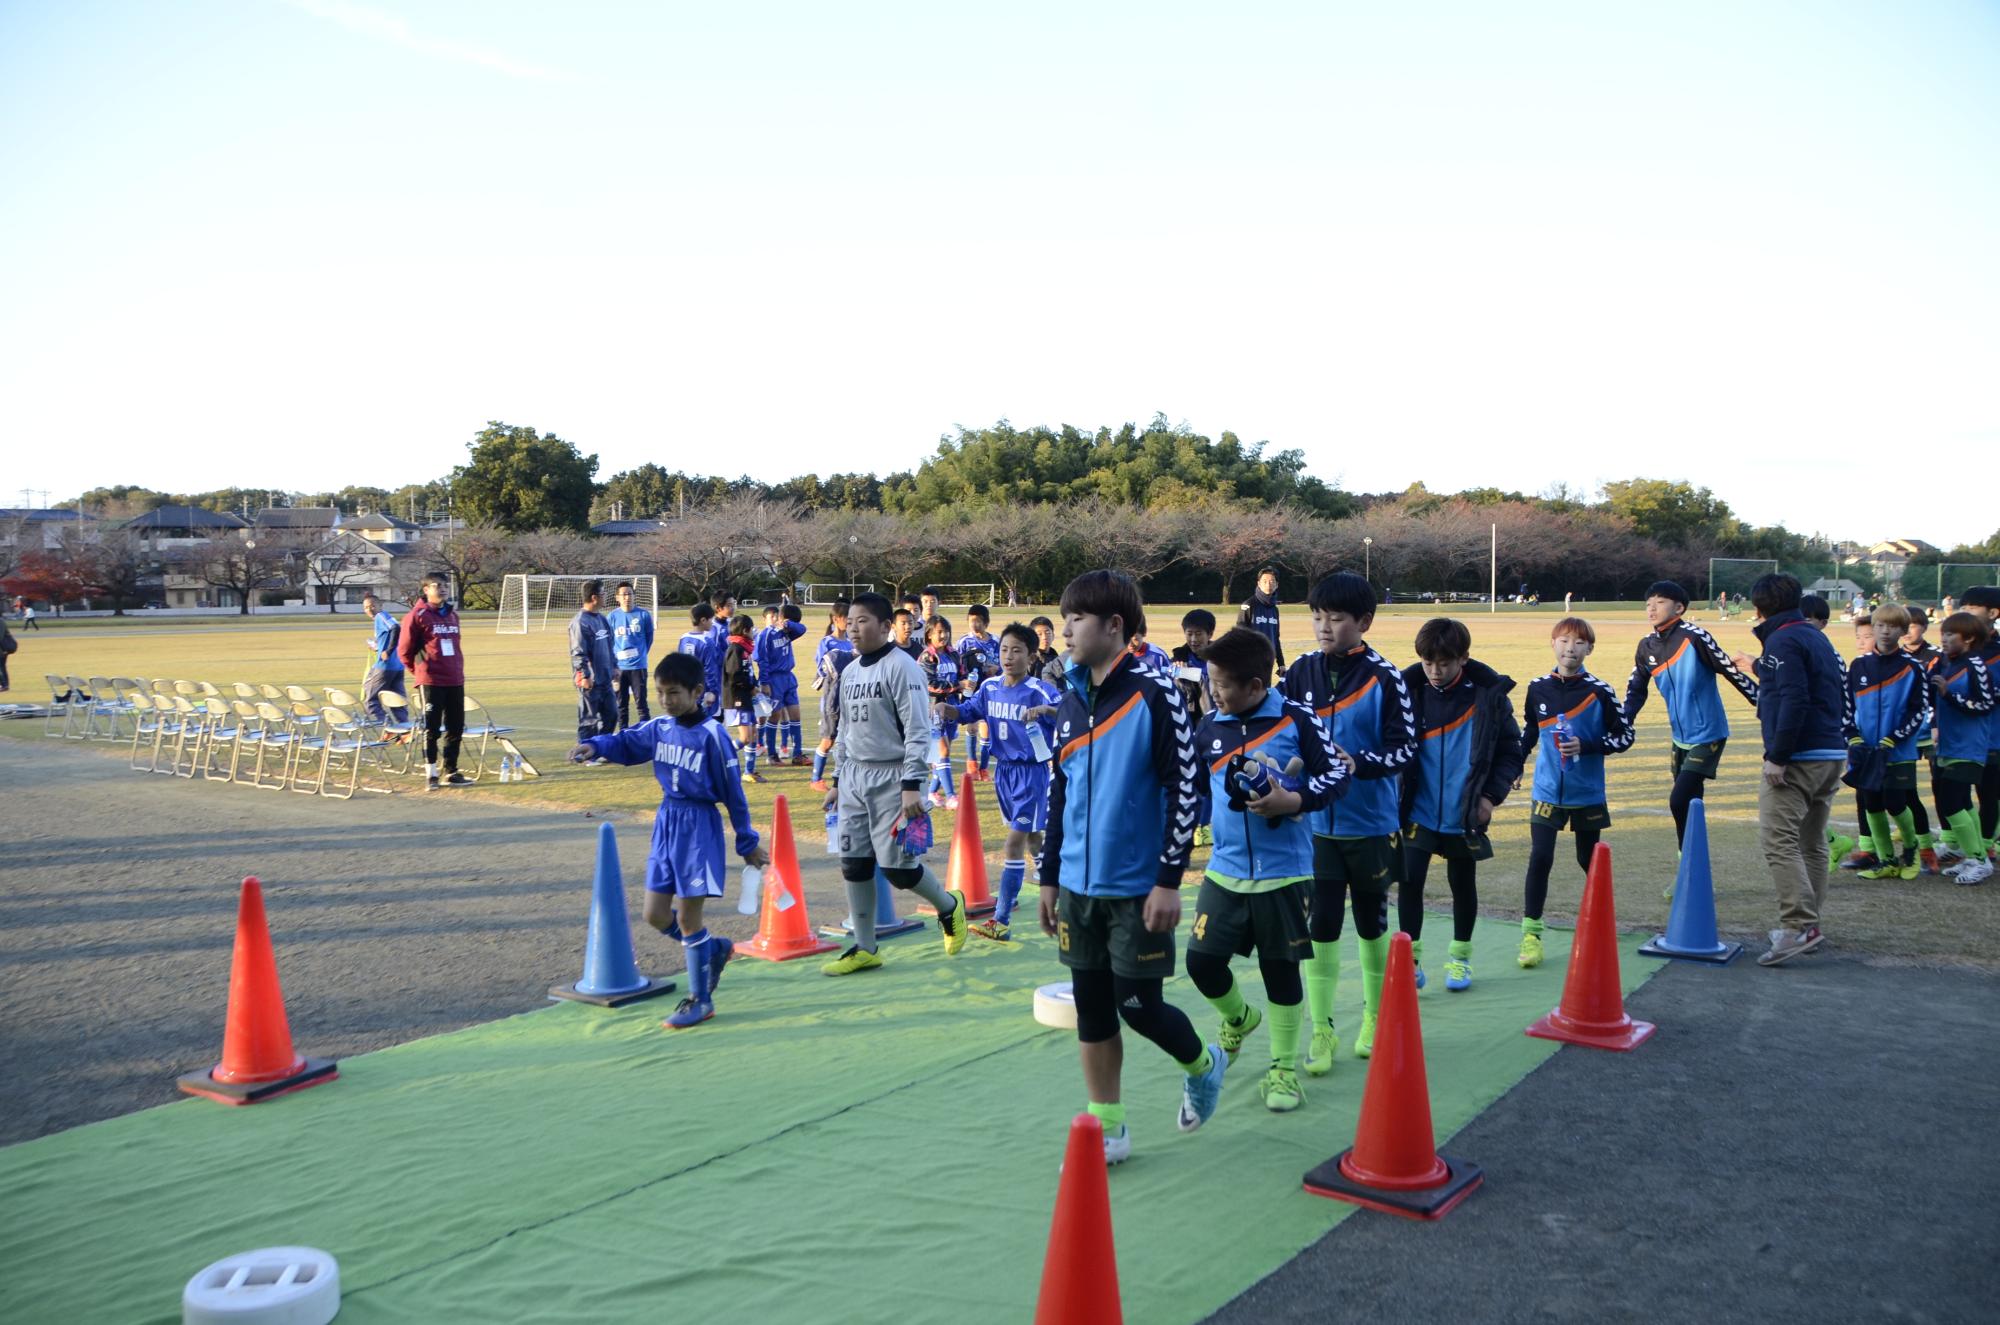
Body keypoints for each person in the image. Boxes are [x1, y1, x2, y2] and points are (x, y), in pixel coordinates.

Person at [1039, 570, 1217, 1162]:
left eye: (1077, 619)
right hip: (1075, 888)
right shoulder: (1066, 699)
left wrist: (1168, 880)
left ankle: (1202, 1063)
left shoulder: (1155, 692)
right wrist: (1047, 877)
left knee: (1137, 1006)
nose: (1064, 630)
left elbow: (1185, 787)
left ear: (1115, 627)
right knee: (1092, 1007)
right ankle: (1109, 1124)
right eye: (1064, 618)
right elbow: (1058, 792)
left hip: (1139, 887)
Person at [1190, 627, 1348, 1113]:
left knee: (1280, 971)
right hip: (1223, 870)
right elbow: (1192, 790)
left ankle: (1282, 1070)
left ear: (1256, 686)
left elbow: (1338, 773)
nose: (1213, 692)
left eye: (1222, 684)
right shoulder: (1209, 727)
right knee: (1201, 962)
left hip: (1286, 872)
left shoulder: (1297, 719)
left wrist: (1293, 799)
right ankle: (1238, 1018)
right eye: (1210, 682)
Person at [570, 652, 769, 1028]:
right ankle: (712, 950)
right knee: (656, 915)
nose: (665, 700)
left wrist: (747, 843)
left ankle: (700, 999)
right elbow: (628, 743)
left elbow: (733, 796)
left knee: (689, 918)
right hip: (667, 823)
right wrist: (595, 746)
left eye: (673, 693)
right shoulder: (660, 728)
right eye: (660, 692)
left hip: (699, 829)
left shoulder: (714, 737)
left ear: (697, 692)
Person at [1277, 572, 1415, 1067]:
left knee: (1372, 922)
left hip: (1371, 825)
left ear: (1364, 621)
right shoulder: (1299, 672)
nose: (1323, 626)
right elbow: (1280, 729)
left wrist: (1358, 761)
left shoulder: (1386, 676)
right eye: (1317, 616)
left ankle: (1375, 1017)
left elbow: (1405, 748)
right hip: (1314, 827)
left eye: (1335, 618)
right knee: (1322, 925)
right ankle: (1322, 1029)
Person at [821, 592, 969, 975]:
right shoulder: (851, 671)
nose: (854, 628)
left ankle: (950, 907)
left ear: (886, 627)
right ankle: (866, 946)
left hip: (894, 776)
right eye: (850, 622)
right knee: (853, 863)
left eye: (863, 621)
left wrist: (911, 784)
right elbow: (845, 731)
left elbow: (920, 729)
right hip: (854, 776)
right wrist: (837, 779)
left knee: (899, 870)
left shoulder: (904, 668)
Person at [1398, 618, 1523, 993]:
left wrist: (1489, 798)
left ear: (1463, 658)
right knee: (1409, 882)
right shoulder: (1405, 692)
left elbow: (1510, 751)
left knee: (1462, 884)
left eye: (1445, 663)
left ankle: (1460, 958)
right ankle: (1411, 960)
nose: (1435, 671)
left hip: (1463, 811)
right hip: (1416, 810)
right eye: (1428, 662)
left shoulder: (1488, 696)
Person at [1516, 617, 1635, 970]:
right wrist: (1515, 766)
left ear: (1590, 649)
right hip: (1547, 790)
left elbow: (1625, 736)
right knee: (1540, 858)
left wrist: (1588, 744)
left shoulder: (1599, 691)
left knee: (1589, 861)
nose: (1571, 648)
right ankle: (1531, 935)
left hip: (1587, 792)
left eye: (1579, 642)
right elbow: (1529, 732)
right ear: (1553, 644)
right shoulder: (1537, 688)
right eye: (1564, 640)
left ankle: (1599, 927)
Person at [1743, 574, 1848, 964]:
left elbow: (1794, 697)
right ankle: (1809, 924)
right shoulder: (1813, 634)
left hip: (1800, 757)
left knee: (1779, 841)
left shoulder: (1783, 639)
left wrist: (1778, 755)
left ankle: (1798, 925)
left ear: (1758, 607)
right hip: (1830, 751)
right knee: (1811, 842)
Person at [934, 622, 1060, 942]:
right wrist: (944, 709)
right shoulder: (990, 688)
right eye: (1004, 649)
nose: (1008, 656)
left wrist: (1045, 710)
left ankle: (1000, 920)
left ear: (1031, 657)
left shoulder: (1038, 689)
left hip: (1032, 774)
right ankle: (1057, 885)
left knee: (1014, 844)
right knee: (1033, 839)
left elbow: (1071, 711)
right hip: (1003, 774)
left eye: (1017, 650)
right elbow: (967, 712)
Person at [1620, 581, 1759, 868]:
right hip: (1679, 738)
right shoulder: (1646, 645)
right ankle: (1693, 872)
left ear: (1679, 607)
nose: (1652, 608)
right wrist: (1624, 722)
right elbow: (1636, 689)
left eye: (1659, 602)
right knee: (1691, 805)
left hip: (1708, 733)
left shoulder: (1694, 637)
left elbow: (1728, 670)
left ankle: (1689, 870)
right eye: (1648, 603)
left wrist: (1764, 702)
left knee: (1678, 800)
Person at [1842, 605, 1933, 881]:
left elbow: (1919, 709)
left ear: (1903, 632)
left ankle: (1911, 849)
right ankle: (1886, 860)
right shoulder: (1859, 666)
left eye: (1892, 626)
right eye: (1880, 625)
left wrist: (1894, 738)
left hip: (1898, 750)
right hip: (1866, 750)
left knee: (1896, 802)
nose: (1885, 631)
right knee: (1871, 804)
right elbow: (1845, 706)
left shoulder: (1912, 668)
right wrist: (1853, 735)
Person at [1929, 612, 1995, 883]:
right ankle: (1975, 855)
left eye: (1950, 634)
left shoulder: (1976, 664)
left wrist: (1950, 695)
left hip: (1969, 745)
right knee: (1960, 802)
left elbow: (1984, 704)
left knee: (1952, 801)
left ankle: (1980, 861)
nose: (1944, 639)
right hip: (1949, 744)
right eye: (1943, 633)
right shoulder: (1947, 663)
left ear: (1968, 638)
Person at [399, 575, 469, 788]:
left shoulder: (452, 615)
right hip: (431, 680)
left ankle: (451, 770)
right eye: (438, 586)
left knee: (455, 726)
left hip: (455, 679)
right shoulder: (417, 615)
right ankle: (431, 773)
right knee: (432, 728)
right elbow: (404, 651)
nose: (443, 589)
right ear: (426, 589)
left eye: (446, 585)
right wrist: (420, 672)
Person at [1172, 609, 1218, 847]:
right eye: (1189, 634)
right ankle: (1196, 826)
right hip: (1189, 727)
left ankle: (1208, 824)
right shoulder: (1179, 659)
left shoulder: (1220, 655)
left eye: (1198, 634)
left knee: (1212, 778)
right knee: (1192, 778)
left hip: (1216, 725)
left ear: (1210, 634)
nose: (1193, 640)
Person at [754, 602, 809, 765]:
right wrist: (764, 682)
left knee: (795, 715)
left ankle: (798, 755)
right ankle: (772, 755)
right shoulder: (765, 635)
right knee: (775, 716)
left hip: (789, 678)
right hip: (774, 679)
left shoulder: (787, 632)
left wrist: (788, 624)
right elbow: (762, 660)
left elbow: (803, 629)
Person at [569, 581, 619, 755]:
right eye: (604, 593)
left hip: (605, 679)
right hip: (589, 681)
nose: (606, 597)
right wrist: (584, 675)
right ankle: (584, 754)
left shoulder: (602, 619)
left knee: (612, 715)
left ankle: (601, 749)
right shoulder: (580, 623)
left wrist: (615, 666)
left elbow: (610, 645)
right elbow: (578, 652)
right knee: (588, 720)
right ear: (594, 597)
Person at [809, 600, 854, 791]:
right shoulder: (826, 642)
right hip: (832, 698)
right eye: (847, 618)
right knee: (829, 740)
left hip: (852, 696)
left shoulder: (853, 641)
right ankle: (815, 779)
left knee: (850, 740)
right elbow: (822, 669)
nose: (851, 622)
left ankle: (846, 778)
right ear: (836, 619)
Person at [919, 615, 963, 809]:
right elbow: (930, 684)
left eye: (946, 631)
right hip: (932, 709)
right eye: (939, 632)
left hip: (952, 708)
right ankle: (952, 796)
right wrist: (957, 685)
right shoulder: (926, 657)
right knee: (941, 751)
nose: (944, 635)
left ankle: (932, 792)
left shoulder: (953, 654)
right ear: (929, 634)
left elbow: (963, 674)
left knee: (944, 752)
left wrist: (967, 683)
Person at [956, 603, 1001, 778]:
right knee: (972, 727)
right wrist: (963, 681)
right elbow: (957, 665)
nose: (975, 624)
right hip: (971, 691)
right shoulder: (964, 642)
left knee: (987, 729)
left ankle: (983, 768)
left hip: (990, 690)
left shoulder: (995, 641)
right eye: (971, 620)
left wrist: (995, 669)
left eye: (979, 621)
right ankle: (972, 764)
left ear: (986, 622)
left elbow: (1003, 665)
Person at [608, 581, 655, 732]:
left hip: (638, 666)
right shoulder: (612, 617)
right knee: (621, 705)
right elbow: (609, 641)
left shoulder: (644, 615)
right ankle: (623, 734)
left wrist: (640, 655)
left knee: (641, 703)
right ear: (617, 597)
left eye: (630, 594)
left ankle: (646, 734)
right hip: (619, 669)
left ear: (634, 596)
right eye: (624, 594)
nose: (627, 597)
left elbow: (649, 639)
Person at [720, 614, 762, 784]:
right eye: (752, 629)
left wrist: (755, 684)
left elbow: (747, 672)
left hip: (745, 696)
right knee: (745, 737)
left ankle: (749, 771)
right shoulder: (735, 649)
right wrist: (751, 687)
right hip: (737, 699)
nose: (754, 632)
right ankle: (720, 758)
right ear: (745, 630)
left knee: (753, 734)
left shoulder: (744, 648)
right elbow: (734, 674)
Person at [359, 592, 406, 723]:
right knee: (396, 700)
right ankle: (405, 729)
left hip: (385, 666)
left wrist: (388, 651)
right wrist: (378, 647)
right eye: (366, 607)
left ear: (380, 605)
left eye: (372, 606)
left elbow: (396, 628)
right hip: (398, 666)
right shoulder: (386, 618)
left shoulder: (381, 616)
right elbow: (395, 634)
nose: (369, 609)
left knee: (370, 700)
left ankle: (390, 728)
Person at [678, 603, 720, 716]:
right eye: (711, 619)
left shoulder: (683, 638)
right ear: (703, 620)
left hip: (685, 689)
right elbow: (710, 669)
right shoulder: (707, 641)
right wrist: (713, 691)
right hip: (702, 690)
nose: (712, 622)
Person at [1238, 568, 1285, 669]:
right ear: (1258, 583)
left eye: (1272, 581)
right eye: (1264, 581)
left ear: (1277, 584)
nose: (1268, 584)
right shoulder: (1248, 605)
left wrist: (1281, 663)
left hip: (1268, 660)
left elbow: (1276, 638)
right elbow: (1239, 634)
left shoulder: (1275, 610)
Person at [1029, 615, 1066, 694]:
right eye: (1039, 634)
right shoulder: (1028, 660)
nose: (1044, 637)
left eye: (1048, 632)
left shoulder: (1058, 660)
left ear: (1053, 636)